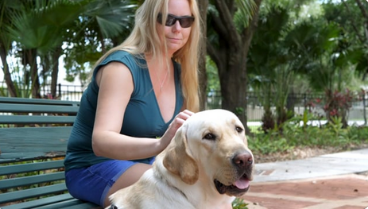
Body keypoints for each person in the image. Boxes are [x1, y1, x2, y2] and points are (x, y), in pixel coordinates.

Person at [64, 0, 201, 207]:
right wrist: (158, 144)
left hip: (140, 164)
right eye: (167, 19)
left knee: (204, 186)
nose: (177, 28)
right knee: (176, 194)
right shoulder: (122, 67)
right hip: (92, 167)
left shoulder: (181, 75)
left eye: (185, 21)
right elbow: (100, 142)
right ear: (148, 21)